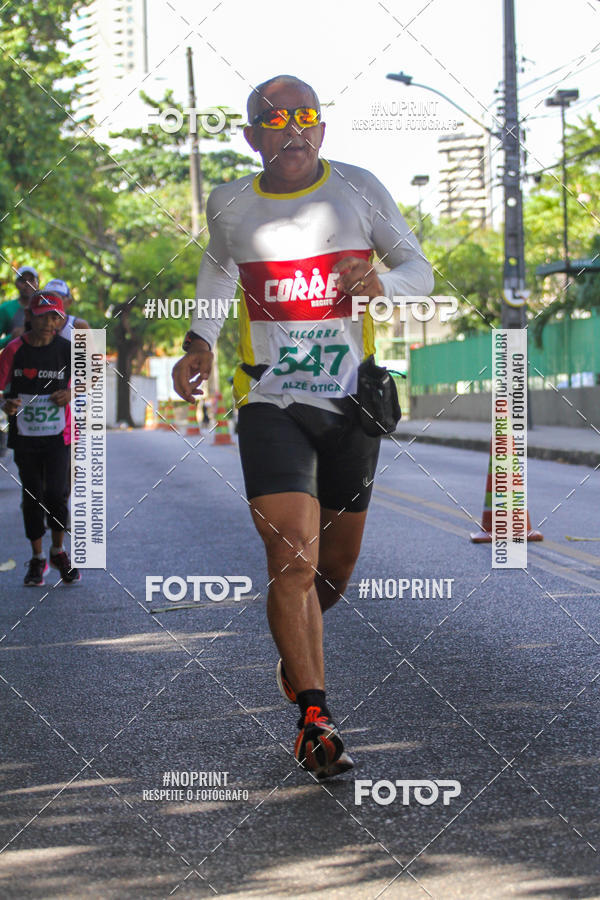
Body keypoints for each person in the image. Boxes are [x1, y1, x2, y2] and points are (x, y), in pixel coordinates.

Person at [172, 75, 434, 779]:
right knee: (291, 559)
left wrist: (385, 285)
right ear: (251, 134)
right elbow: (218, 271)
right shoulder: (229, 201)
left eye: (307, 116)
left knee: (334, 573)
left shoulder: (360, 187)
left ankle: (297, 651)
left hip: (351, 403)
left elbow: (420, 268)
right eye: (275, 118)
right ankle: (314, 717)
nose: (293, 128)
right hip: (271, 405)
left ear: (322, 128)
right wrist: (201, 339)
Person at [0, 290, 79, 586]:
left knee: (56, 494)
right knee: (32, 494)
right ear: (30, 317)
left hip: (59, 435)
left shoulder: (67, 349)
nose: (48, 322)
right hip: (25, 435)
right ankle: (37, 558)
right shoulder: (14, 350)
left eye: (55, 317)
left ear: (61, 320)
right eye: (42, 316)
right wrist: (4, 403)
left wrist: (71, 392)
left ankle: (58, 550)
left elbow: (90, 377)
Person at [0, 266, 39, 349]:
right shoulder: (5, 308)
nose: (28, 284)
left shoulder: (47, 308)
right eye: (23, 280)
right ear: (16, 284)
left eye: (31, 280)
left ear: (38, 283)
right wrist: (11, 337)